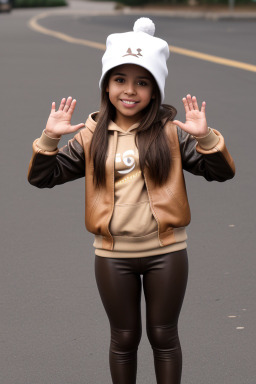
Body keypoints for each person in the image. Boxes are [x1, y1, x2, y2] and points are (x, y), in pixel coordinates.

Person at [27, 17, 235, 384]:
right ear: (106, 85)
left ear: (155, 90)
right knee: (124, 339)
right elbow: (44, 177)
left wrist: (205, 139)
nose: (130, 90)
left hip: (166, 252)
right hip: (112, 256)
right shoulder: (92, 135)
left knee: (164, 337)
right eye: (120, 79)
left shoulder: (171, 132)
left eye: (142, 82)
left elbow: (219, 172)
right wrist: (48, 139)